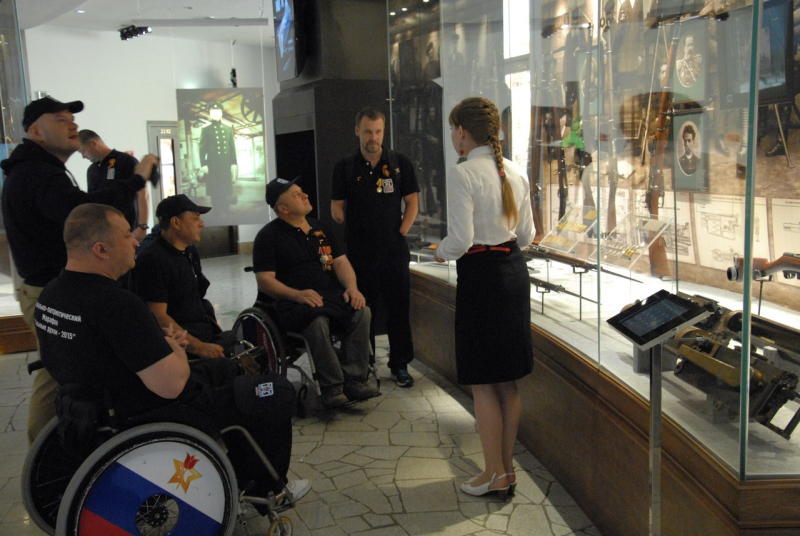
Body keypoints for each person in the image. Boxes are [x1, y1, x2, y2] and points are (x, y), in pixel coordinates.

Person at [35, 203, 309, 512]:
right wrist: (177, 349)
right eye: (126, 235)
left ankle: (242, 471)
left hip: (95, 404)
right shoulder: (117, 304)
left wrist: (162, 346)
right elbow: (172, 386)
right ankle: (269, 491)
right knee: (274, 391)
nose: (135, 241)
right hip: (149, 411)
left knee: (226, 368)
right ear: (101, 249)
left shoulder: (51, 295)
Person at [0, 95, 157, 444]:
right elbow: (86, 212)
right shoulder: (38, 174)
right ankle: (45, 455)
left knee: (65, 367)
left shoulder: (40, 170)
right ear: (36, 132)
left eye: (72, 119)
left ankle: (66, 444)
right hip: (48, 290)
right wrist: (136, 180)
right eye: (60, 120)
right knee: (59, 371)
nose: (72, 125)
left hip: (50, 287)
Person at [433, 97, 535, 498]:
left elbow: (461, 240)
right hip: (513, 272)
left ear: (462, 132)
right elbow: (526, 236)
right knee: (507, 381)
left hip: (481, 278)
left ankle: (493, 472)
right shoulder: (516, 170)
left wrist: (440, 251)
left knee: (483, 382)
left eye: (452, 129)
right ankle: (505, 470)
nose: (452, 136)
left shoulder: (463, 172)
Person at [254, 177, 380, 408]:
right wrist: (297, 294)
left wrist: (352, 288)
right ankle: (332, 387)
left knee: (362, 311)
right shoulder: (268, 236)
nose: (305, 196)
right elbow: (264, 281)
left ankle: (354, 380)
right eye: (296, 195)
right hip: (293, 302)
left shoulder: (320, 227)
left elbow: (340, 262)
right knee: (317, 319)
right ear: (283, 209)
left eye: (302, 191)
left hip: (329, 296)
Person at [331, 108, 419, 388]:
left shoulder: (399, 163)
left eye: (378, 131)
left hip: (394, 251)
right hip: (360, 252)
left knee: (398, 310)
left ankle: (400, 365)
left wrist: (402, 229)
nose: (374, 137)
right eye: (368, 131)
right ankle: (364, 365)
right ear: (358, 131)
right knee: (362, 310)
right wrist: (340, 217)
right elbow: (336, 205)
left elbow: (412, 202)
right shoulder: (345, 166)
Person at [130, 194, 232, 359]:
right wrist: (200, 347)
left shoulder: (189, 251)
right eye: (195, 218)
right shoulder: (153, 259)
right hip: (181, 346)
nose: (201, 223)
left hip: (201, 330)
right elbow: (158, 316)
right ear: (176, 222)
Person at [78, 129, 149, 242]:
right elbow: (92, 203)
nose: (83, 156)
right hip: (103, 233)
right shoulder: (92, 170)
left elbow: (143, 194)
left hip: (127, 230)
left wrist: (142, 226)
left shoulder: (126, 161)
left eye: (83, 151)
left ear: (94, 143)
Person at [199, 102, 238, 209]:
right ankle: (216, 208)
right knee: (215, 187)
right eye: (213, 111)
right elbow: (202, 148)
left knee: (225, 186)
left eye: (218, 111)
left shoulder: (228, 128)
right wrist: (203, 164)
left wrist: (234, 162)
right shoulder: (206, 129)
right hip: (213, 164)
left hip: (225, 163)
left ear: (221, 113)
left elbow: (232, 147)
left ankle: (225, 207)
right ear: (210, 114)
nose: (216, 113)